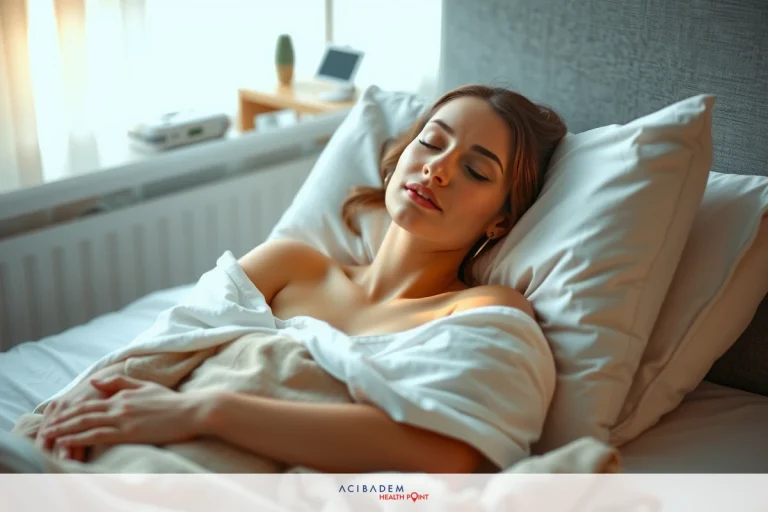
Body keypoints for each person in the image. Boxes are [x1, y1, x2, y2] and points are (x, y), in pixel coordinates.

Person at [17, 84, 567, 473]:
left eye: (476, 170)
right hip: (97, 457)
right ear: (402, 156)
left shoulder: (486, 310)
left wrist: (205, 412)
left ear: (501, 221)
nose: (437, 169)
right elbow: (160, 347)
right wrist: (82, 398)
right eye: (431, 142)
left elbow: (447, 455)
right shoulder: (290, 264)